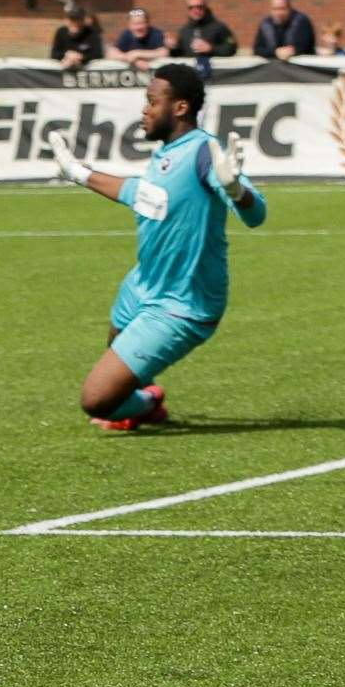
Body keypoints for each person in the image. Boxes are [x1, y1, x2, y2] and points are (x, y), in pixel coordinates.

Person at [46, 64, 266, 431]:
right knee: (117, 338)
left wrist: (237, 191)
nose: (144, 110)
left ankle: (146, 403)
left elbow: (256, 214)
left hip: (183, 304)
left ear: (179, 108)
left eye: (151, 102)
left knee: (96, 401)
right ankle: (139, 399)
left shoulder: (202, 153)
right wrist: (77, 173)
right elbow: (138, 194)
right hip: (143, 284)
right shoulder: (167, 152)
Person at [170, 0, 237, 78]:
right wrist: (173, 47)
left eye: (199, 7)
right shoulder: (184, 30)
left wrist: (211, 49)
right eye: (191, 7)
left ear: (205, 7)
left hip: (216, 78)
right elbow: (178, 56)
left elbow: (231, 48)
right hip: (190, 79)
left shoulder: (219, 27)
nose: (195, 10)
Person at [251, 0, 315, 61]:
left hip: (299, 69)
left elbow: (305, 47)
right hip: (272, 69)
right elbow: (257, 50)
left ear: (289, 8)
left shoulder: (301, 22)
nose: (278, 13)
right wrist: (275, 52)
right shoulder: (266, 24)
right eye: (275, 9)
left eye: (282, 9)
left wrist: (293, 51)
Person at [50, 6, 102, 70]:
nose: (74, 22)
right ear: (66, 20)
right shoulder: (61, 32)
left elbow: (98, 54)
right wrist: (67, 55)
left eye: (77, 19)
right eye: (71, 19)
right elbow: (54, 54)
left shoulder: (92, 32)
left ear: (83, 20)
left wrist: (81, 57)